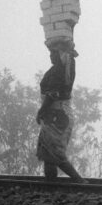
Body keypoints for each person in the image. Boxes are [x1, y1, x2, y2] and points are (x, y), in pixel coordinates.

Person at [36, 38, 87, 183]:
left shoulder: (61, 70)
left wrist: (41, 111)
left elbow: (53, 94)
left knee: (55, 153)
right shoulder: (62, 69)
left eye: (54, 52)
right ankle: (51, 185)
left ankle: (79, 181)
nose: (50, 55)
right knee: (48, 153)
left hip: (56, 115)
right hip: (56, 115)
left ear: (61, 54)